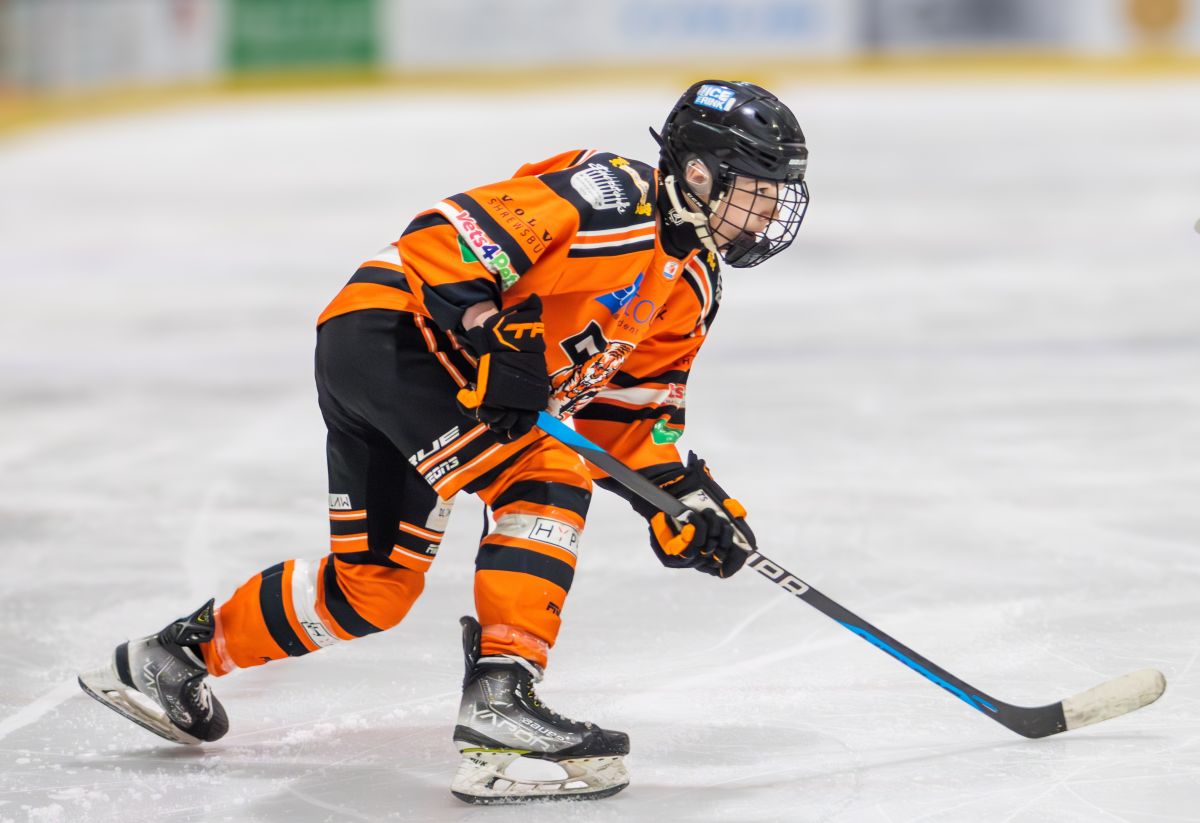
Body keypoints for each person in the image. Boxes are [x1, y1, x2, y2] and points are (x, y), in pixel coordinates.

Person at [78, 79, 810, 804]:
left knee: (372, 590)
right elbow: (442, 236)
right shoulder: (612, 194)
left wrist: (678, 500)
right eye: (758, 188)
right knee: (546, 476)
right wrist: (493, 329)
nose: (771, 211)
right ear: (699, 171)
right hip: (392, 336)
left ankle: (169, 656)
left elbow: (625, 419)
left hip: (413, 372)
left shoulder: (693, 284)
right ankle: (501, 703)